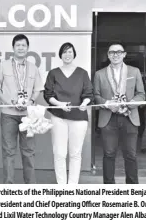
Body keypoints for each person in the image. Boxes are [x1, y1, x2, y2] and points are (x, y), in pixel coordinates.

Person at [0, 34, 44, 184]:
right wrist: (9, 102)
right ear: (13, 48)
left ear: (28, 48)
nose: (21, 48)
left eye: (23, 45)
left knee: (28, 152)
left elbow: (38, 89)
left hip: (29, 115)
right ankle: (9, 187)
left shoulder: (34, 68)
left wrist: (31, 101)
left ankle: (30, 187)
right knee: (9, 152)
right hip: (8, 114)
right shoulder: (3, 66)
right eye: (18, 45)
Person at [93, 43, 145, 184]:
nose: (115, 55)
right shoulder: (99, 74)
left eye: (118, 52)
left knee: (131, 155)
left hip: (130, 117)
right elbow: (96, 96)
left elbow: (141, 94)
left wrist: (130, 103)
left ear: (124, 54)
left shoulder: (134, 72)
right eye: (112, 52)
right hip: (108, 118)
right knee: (109, 154)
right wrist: (108, 104)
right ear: (108, 55)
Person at [43, 42, 93, 184]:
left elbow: (89, 93)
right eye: (64, 52)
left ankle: (72, 187)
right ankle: (61, 186)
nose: (67, 54)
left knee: (75, 153)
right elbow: (48, 94)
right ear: (60, 55)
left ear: (74, 54)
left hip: (79, 118)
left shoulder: (82, 73)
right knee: (59, 153)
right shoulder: (53, 73)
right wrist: (60, 104)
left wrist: (84, 103)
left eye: (70, 51)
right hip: (58, 117)